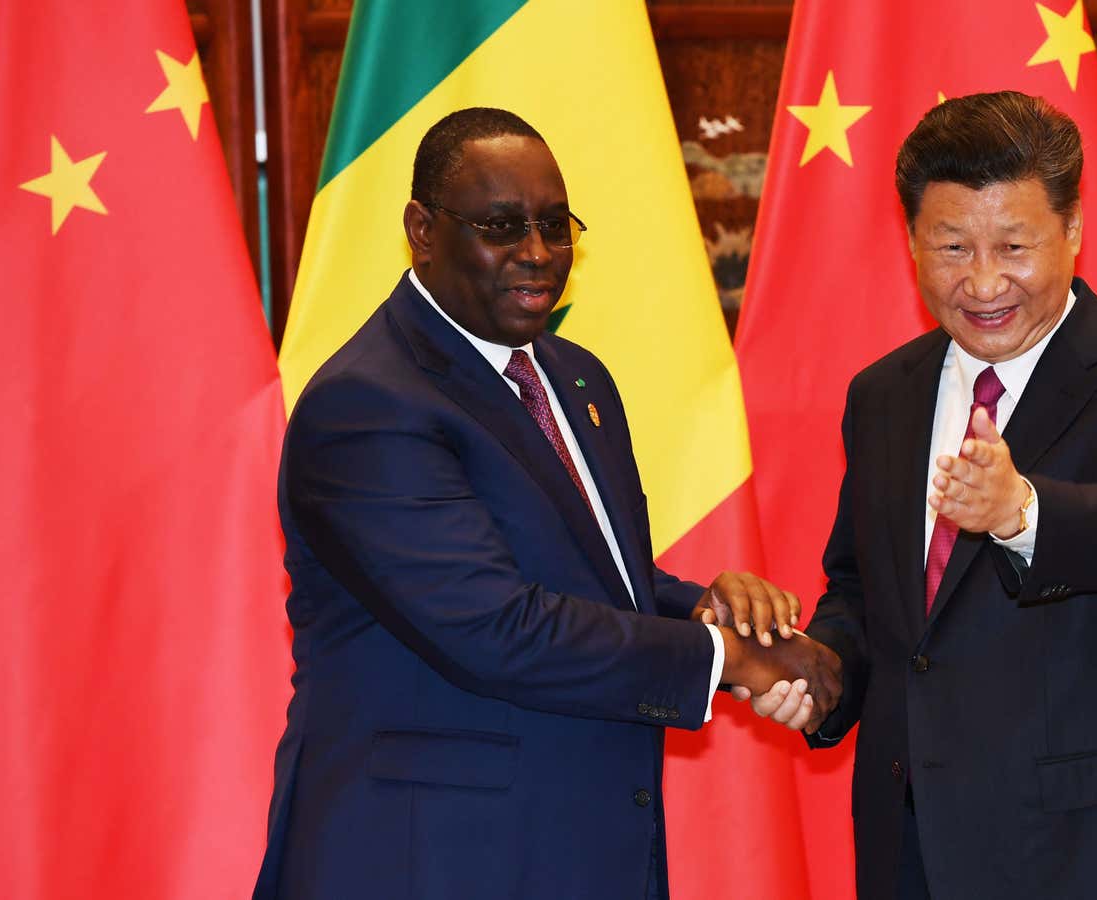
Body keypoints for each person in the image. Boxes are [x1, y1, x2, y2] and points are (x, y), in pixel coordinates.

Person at [252, 107, 840, 900]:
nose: (536, 254)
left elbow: (595, 580)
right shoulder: (368, 402)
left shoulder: (575, 377)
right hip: (426, 860)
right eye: (501, 226)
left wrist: (705, 609)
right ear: (421, 229)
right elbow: (495, 627)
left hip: (579, 848)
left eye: (555, 227)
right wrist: (726, 660)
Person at [760, 92, 1097, 898]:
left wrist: (1022, 513)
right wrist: (819, 674)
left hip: (1094, 852)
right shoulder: (884, 394)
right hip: (914, 847)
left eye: (1014, 246)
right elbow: (867, 591)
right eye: (951, 247)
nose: (982, 284)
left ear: (1073, 231)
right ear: (911, 239)